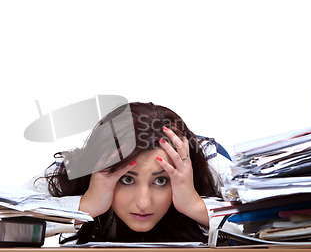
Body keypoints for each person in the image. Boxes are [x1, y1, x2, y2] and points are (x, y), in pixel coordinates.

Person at [31, 102, 234, 244]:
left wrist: (194, 205)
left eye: (161, 180)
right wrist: (85, 206)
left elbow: (264, 228)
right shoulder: (73, 171)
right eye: (127, 179)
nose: (143, 203)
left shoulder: (208, 163)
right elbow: (2, 220)